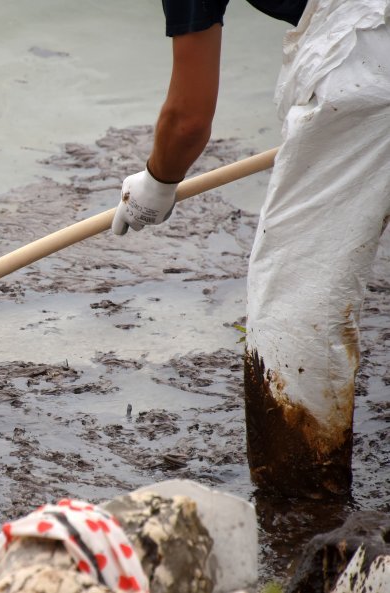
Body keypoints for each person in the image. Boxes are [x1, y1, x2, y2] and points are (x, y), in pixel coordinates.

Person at [111, 0, 390, 499]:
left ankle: (302, 511)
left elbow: (187, 121)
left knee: (296, 297)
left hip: (368, 55)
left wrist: (157, 181)